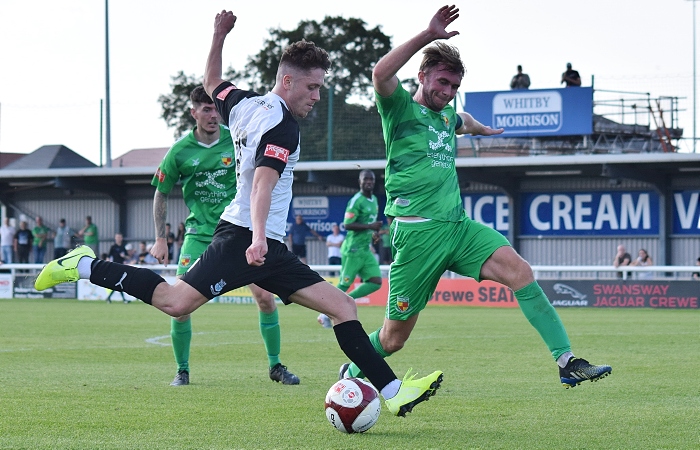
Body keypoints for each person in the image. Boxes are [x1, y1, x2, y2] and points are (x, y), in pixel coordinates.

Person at [35, 10, 442, 418]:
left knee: (342, 307)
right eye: (312, 87)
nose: (317, 96)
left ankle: (393, 392)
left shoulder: (245, 105)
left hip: (263, 245)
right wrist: (261, 237)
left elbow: (212, 82)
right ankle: (85, 264)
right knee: (176, 303)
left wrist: (218, 35)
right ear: (287, 81)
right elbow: (263, 183)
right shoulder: (283, 126)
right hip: (246, 239)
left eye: (320, 88)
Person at [339, 5, 611, 389]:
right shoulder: (399, 109)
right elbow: (380, 73)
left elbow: (461, 122)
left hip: (459, 229)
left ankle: (566, 361)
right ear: (422, 76)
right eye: (442, 83)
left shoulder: (448, 116)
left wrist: (481, 129)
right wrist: (427, 35)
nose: (447, 92)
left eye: (454, 87)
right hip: (417, 236)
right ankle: (353, 370)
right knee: (393, 339)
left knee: (521, 272)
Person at [148, 85, 299, 387]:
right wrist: (160, 238)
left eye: (215, 108)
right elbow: (160, 193)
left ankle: (275, 365)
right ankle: (182, 370)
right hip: (200, 234)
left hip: (236, 233)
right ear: (193, 113)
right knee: (179, 306)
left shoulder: (236, 138)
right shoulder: (180, 152)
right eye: (205, 109)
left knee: (265, 298)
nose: (212, 115)